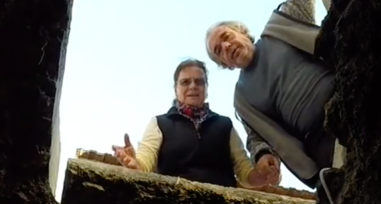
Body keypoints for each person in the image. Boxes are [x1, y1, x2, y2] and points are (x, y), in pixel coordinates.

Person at [204, 0, 342, 189]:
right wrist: (264, 156)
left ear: (242, 32)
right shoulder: (242, 98)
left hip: (346, 92)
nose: (227, 47)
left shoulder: (280, 25)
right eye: (219, 51)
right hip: (320, 140)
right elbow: (257, 137)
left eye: (226, 37)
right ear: (225, 64)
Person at [111, 59, 281, 189]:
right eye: (185, 82)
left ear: (206, 88)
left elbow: (245, 173)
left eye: (199, 82)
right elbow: (145, 165)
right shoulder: (159, 123)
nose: (193, 86)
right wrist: (134, 163)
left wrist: (263, 174)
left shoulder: (225, 125)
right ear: (175, 89)